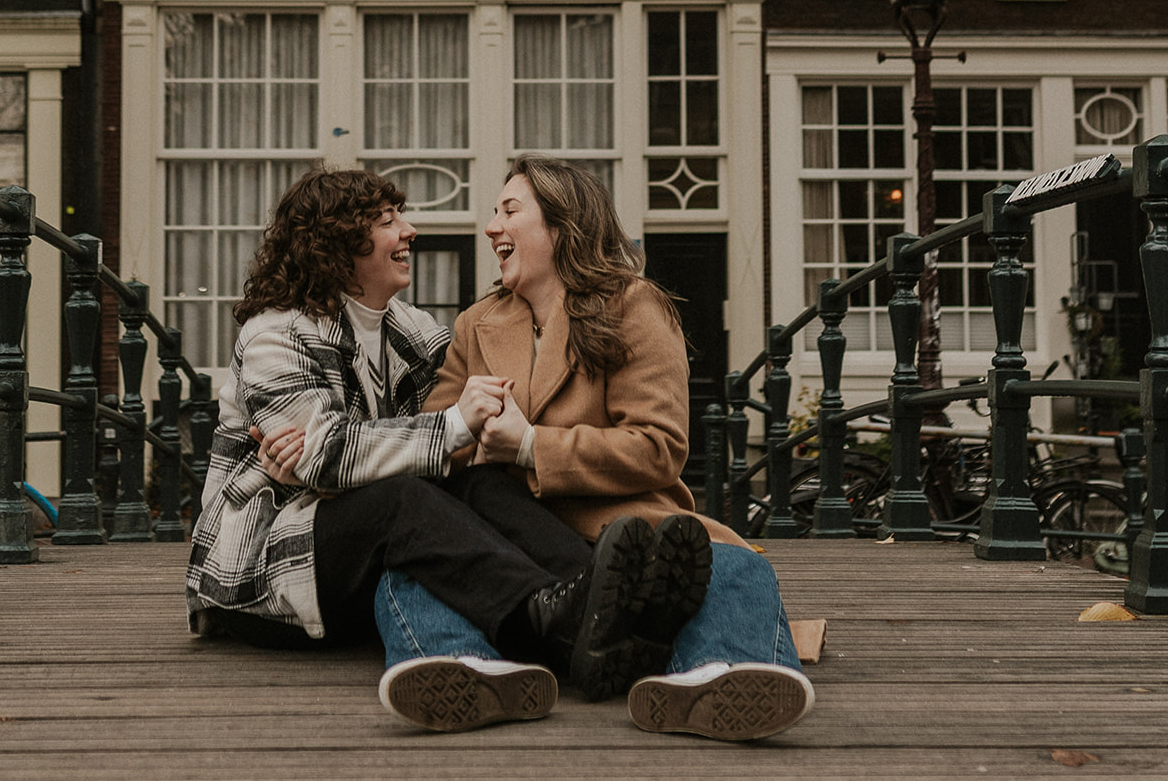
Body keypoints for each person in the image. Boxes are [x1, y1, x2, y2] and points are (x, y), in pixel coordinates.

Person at [185, 166, 704, 732]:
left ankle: (602, 600)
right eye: (388, 222)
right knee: (404, 496)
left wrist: (486, 428)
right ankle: (552, 619)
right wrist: (446, 428)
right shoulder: (275, 335)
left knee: (476, 480)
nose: (409, 230)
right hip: (270, 572)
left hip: (354, 546)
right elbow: (333, 455)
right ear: (336, 243)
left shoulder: (405, 328)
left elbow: (462, 395)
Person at [423, 154, 816, 742]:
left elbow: (659, 446)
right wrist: (465, 427)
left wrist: (531, 445)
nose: (490, 228)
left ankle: (718, 679)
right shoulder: (476, 323)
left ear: (561, 225)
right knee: (422, 561)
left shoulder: (633, 305)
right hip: (516, 539)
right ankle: (466, 671)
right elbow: (431, 440)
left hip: (630, 530)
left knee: (732, 566)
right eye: (493, 213)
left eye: (509, 211)